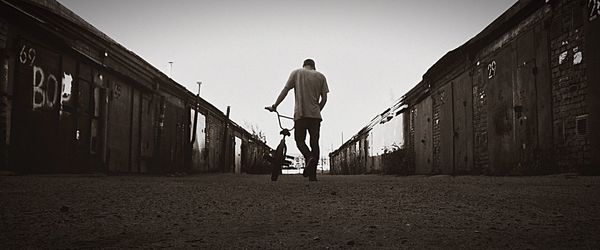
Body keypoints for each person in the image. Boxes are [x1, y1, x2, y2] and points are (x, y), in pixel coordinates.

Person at [266, 59, 329, 181]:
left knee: (300, 141)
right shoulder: (321, 76)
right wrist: (317, 110)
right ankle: (313, 176)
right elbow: (324, 99)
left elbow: (285, 90)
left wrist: (275, 106)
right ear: (313, 66)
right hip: (315, 117)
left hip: (300, 115)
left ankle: (308, 156)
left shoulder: (296, 73)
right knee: (314, 143)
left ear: (304, 65)